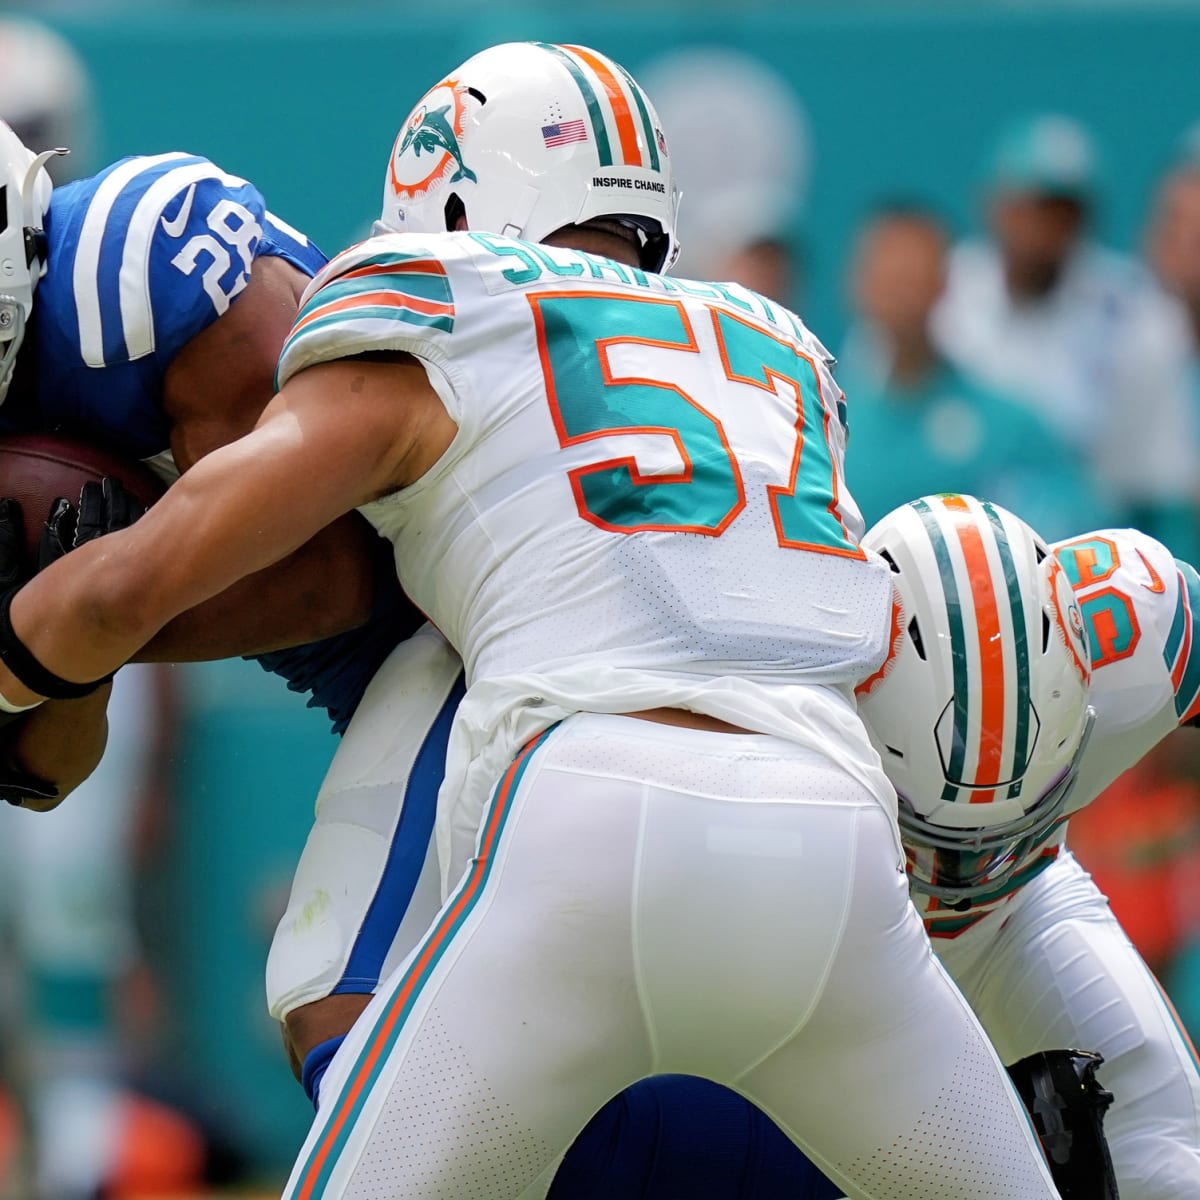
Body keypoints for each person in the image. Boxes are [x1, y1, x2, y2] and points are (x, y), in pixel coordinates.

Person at [0, 40, 1061, 1200]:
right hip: (834, 813)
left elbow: (289, 570)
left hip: (546, 746)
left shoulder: (393, 297)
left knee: (337, 994)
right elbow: (54, 742)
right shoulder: (774, 341)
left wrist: (62, 618)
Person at [856, 494, 1200, 1199]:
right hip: (839, 950)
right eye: (943, 839)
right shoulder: (789, 679)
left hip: (1020, 913)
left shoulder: (1145, 627)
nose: (968, 865)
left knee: (1169, 1163)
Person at [934, 112, 1198, 558]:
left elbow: (1163, 487)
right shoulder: (943, 294)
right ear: (994, 206)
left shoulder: (1137, 313)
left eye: (1062, 212)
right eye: (1031, 207)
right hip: (958, 546)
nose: (1043, 229)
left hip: (1100, 557)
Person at [839, 203, 1104, 539]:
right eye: (888, 273)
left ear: (943, 283)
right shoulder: (822, 420)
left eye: (912, 273)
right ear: (858, 284)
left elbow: (1072, 526)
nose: (900, 289)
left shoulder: (1011, 425)